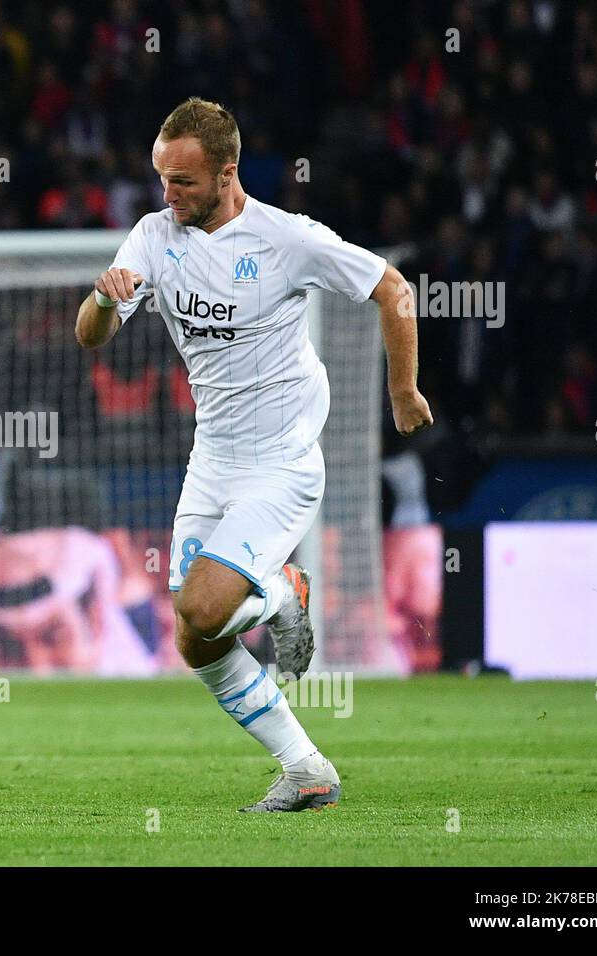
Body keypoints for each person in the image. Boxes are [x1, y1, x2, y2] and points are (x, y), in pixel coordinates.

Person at [75, 97, 432, 812]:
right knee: (193, 636)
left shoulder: (286, 238)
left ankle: (281, 593)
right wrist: (106, 300)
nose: (167, 196)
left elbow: (392, 291)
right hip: (213, 457)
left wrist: (403, 392)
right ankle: (306, 768)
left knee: (206, 608)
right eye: (160, 180)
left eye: (182, 182)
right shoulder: (152, 236)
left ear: (228, 173)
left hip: (282, 461)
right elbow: (91, 337)